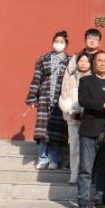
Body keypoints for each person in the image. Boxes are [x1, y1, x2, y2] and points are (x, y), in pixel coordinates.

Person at [75, 50, 105, 208]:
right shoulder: (86, 80)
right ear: (94, 63)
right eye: (99, 60)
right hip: (89, 129)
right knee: (85, 169)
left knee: (103, 169)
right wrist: (104, 105)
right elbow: (83, 100)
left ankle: (100, 202)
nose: (102, 63)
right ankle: (82, 202)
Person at [26, 30, 70, 170]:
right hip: (45, 98)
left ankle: (55, 159)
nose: (58, 44)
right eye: (56, 41)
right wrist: (32, 97)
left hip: (60, 100)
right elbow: (36, 79)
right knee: (42, 131)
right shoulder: (43, 59)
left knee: (57, 131)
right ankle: (42, 158)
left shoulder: (70, 61)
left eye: (61, 42)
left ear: (66, 44)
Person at [58, 51, 91, 184]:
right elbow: (64, 96)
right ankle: (74, 174)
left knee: (88, 149)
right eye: (81, 61)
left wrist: (84, 113)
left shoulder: (93, 79)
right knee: (74, 148)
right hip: (73, 118)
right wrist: (70, 111)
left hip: (89, 119)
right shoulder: (70, 78)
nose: (83, 64)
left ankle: (86, 175)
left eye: (86, 61)